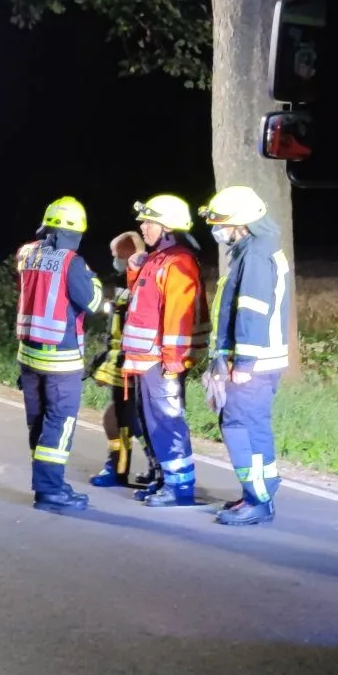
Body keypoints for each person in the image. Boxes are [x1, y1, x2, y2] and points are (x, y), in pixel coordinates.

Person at [202, 186, 290, 526]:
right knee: (252, 428)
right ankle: (257, 492)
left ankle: (258, 500)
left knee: (241, 428)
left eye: (220, 223)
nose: (217, 230)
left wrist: (243, 364)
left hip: (253, 365)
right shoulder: (255, 250)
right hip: (260, 362)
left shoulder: (254, 256)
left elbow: (251, 312)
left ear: (240, 224)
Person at [15, 197, 102, 512]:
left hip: (28, 357)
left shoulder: (27, 254)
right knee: (59, 424)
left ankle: (48, 484)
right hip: (60, 360)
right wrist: (91, 277)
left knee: (38, 423)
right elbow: (92, 302)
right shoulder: (71, 262)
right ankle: (50, 491)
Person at [121, 195, 205, 508]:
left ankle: (180, 487)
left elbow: (178, 315)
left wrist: (172, 360)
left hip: (161, 360)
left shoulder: (178, 262)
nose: (142, 227)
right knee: (152, 423)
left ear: (168, 226)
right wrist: (134, 270)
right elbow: (143, 303)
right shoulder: (157, 259)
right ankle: (163, 478)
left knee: (168, 422)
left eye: (149, 222)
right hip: (146, 360)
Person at [90, 231, 153, 491]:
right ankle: (121, 466)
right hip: (123, 361)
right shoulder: (123, 282)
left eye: (116, 256)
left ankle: (143, 468)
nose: (113, 260)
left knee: (133, 418)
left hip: (137, 363)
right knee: (118, 416)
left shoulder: (143, 279)